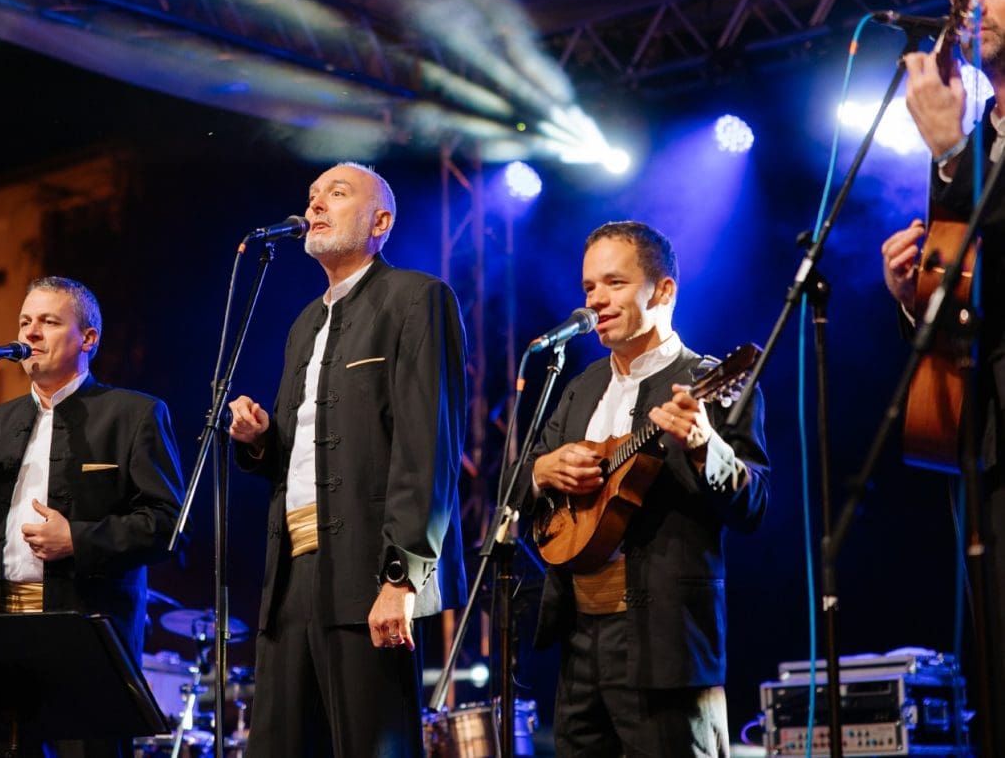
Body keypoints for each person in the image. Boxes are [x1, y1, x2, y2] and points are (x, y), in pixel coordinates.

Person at [227, 162, 467, 757]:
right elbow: (305, 453)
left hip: (369, 571)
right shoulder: (304, 323)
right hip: (292, 574)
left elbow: (427, 449)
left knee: (370, 743)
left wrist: (401, 579)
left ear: (380, 222)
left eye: (336, 194)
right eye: (312, 195)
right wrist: (260, 440)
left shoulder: (416, 298)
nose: (315, 205)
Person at [526, 221, 770, 757]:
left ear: (663, 291)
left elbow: (754, 505)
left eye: (614, 283)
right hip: (579, 638)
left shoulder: (709, 380)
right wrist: (543, 469)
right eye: (589, 287)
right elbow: (516, 486)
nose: (595, 300)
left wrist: (705, 445)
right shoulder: (581, 388)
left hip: (666, 643)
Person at [0, 276, 183, 757]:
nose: (30, 333)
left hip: (86, 636)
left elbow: (169, 525)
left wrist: (78, 539)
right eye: (24, 321)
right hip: (2, 629)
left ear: (88, 338)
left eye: (48, 321)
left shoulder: (133, 415)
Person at [879, 0, 1005, 748]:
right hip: (984, 440)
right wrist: (912, 296)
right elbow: (969, 285)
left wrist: (952, 154)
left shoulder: (957, 140)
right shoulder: (971, 130)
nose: (975, 6)